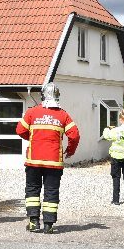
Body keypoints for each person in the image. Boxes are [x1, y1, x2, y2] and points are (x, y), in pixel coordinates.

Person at [16, 82, 80, 234]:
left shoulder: (32, 112)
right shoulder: (63, 115)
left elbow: (20, 130)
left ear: (43, 95)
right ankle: (49, 225)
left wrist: (33, 138)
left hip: (33, 160)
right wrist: (70, 151)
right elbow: (75, 135)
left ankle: (33, 222)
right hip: (54, 161)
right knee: (51, 191)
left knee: (32, 190)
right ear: (58, 96)